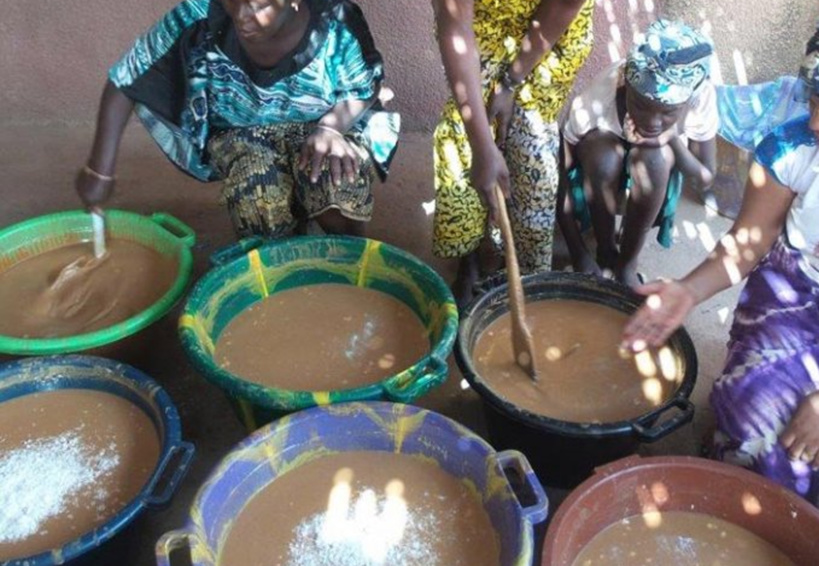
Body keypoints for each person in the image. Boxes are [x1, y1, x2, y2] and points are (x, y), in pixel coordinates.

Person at [622, 28, 819, 503]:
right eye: (814, 100)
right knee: (766, 448)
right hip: (792, 305)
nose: (814, 123)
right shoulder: (792, 150)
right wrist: (689, 291)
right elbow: (748, 243)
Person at [76, 0, 399, 239]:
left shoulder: (335, 22)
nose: (242, 15)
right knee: (257, 194)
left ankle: (350, 260)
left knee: (337, 182)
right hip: (240, 132)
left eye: (257, 5)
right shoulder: (200, 16)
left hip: (327, 126)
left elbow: (365, 86)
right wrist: (99, 171)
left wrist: (331, 127)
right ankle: (277, 268)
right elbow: (127, 77)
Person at [431, 0, 595, 307]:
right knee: (467, 139)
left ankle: (523, 275)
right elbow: (456, 26)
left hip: (552, 33)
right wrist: (482, 148)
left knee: (531, 155)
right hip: (483, 21)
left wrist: (510, 83)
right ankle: (471, 258)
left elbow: (564, 4)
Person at [559, 20, 717, 288]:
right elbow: (559, 175)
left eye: (668, 113)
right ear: (625, 85)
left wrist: (668, 140)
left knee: (655, 159)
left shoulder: (699, 95)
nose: (653, 121)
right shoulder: (600, 95)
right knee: (603, 156)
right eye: (642, 106)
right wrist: (578, 254)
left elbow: (705, 178)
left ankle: (627, 265)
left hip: (653, 174)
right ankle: (605, 250)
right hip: (599, 171)